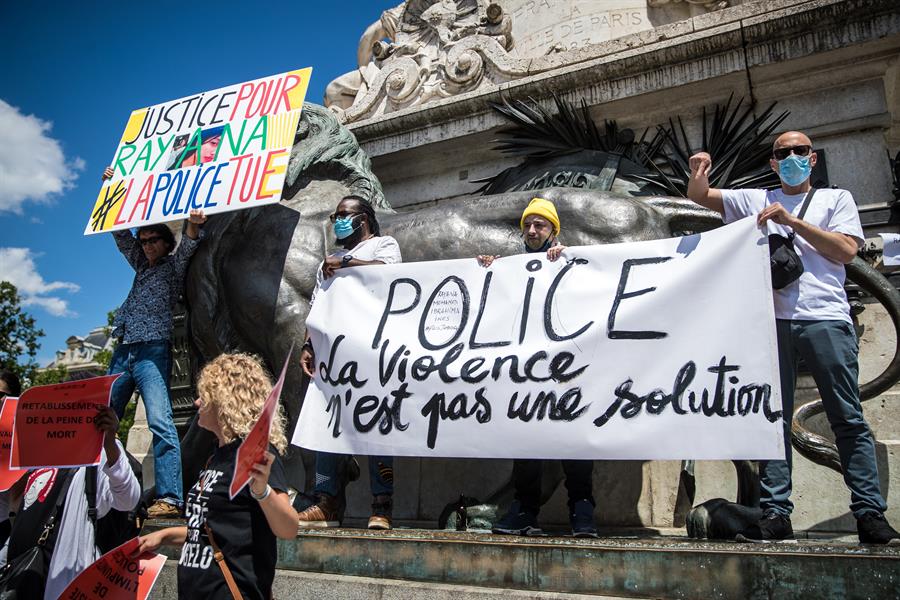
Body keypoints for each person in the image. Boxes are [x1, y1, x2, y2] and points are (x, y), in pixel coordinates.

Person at [686, 131, 900, 545]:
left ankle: (870, 516)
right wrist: (698, 173)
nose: (792, 157)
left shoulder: (835, 200)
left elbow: (845, 251)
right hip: (772, 324)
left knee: (847, 417)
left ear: (813, 159)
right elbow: (701, 197)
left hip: (827, 320)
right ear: (772, 162)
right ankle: (775, 513)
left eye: (800, 151)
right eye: (783, 153)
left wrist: (793, 222)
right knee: (773, 421)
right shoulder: (754, 199)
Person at [480, 197, 599, 538]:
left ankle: (582, 508)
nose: (533, 231)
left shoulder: (569, 262)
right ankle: (525, 510)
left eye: (540, 225)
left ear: (553, 230)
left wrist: (566, 263)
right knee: (526, 441)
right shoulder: (512, 267)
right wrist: (488, 270)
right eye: (528, 225)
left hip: (565, 368)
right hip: (525, 370)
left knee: (573, 438)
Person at [136, 353, 298, 600]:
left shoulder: (254, 454)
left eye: (205, 395)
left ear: (224, 401)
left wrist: (262, 491)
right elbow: (214, 529)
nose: (197, 402)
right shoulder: (216, 457)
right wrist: (165, 536)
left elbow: (288, 528)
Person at [101, 166, 208, 518]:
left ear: (165, 243)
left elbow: (190, 241)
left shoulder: (173, 268)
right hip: (124, 350)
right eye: (143, 241)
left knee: (161, 423)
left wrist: (193, 222)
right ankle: (97, 485)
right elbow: (120, 236)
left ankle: (171, 498)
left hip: (151, 353)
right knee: (102, 419)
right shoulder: (140, 266)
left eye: (151, 240)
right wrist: (113, 189)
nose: (145, 246)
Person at [299, 195, 402, 530]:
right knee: (327, 423)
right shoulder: (329, 261)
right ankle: (325, 502)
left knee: (376, 425)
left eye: (344, 215)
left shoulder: (384, 245)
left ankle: (381, 506)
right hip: (333, 354)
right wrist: (308, 345)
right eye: (335, 216)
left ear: (364, 219)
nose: (338, 221)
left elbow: (389, 274)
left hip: (372, 351)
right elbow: (318, 304)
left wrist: (346, 266)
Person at [3, 406, 140, 599]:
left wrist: (110, 443)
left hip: (61, 581)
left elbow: (128, 499)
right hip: (23, 576)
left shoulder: (98, 458)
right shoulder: (45, 452)